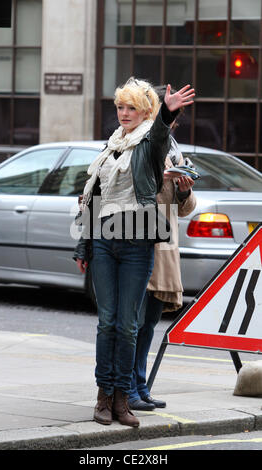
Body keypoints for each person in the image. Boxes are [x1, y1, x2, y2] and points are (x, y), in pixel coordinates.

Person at [73, 77, 195, 428]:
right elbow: (93, 200)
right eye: (120, 107)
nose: (124, 113)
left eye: (132, 108)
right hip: (105, 242)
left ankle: (123, 400)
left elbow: (158, 135)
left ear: (145, 113)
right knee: (106, 323)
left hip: (137, 244)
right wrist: (84, 244)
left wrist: (167, 116)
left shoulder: (151, 145)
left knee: (128, 326)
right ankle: (103, 397)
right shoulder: (110, 147)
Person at [128, 127, 197, 411]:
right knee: (133, 324)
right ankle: (127, 389)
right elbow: (132, 197)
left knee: (149, 325)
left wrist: (184, 190)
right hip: (139, 246)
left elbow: (185, 209)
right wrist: (161, 179)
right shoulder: (138, 149)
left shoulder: (174, 153)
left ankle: (141, 386)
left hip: (165, 249)